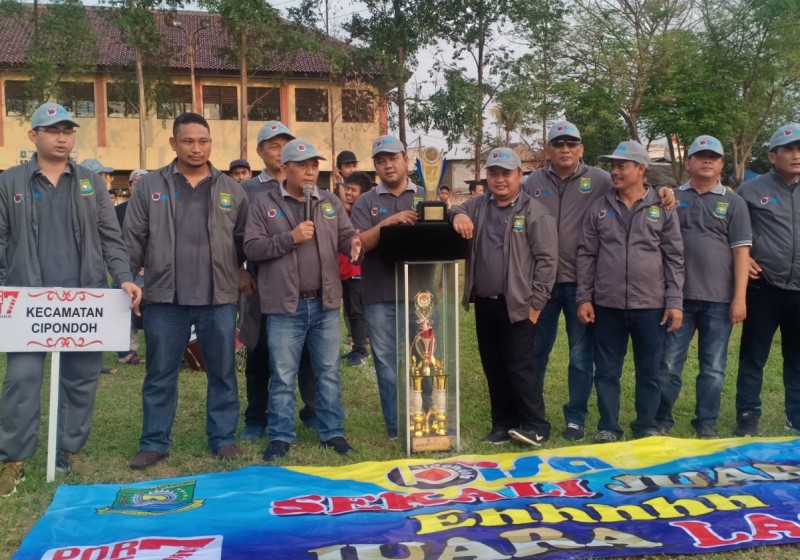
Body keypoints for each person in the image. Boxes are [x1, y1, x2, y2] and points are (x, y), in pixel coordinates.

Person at [0, 103, 142, 497]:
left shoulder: (90, 182)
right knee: (21, 380)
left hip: (85, 300)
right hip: (28, 302)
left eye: (68, 130)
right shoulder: (10, 181)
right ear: (33, 136)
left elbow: (111, 237)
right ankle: (14, 460)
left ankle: (69, 450)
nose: (62, 138)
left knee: (81, 379)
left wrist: (124, 277)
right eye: (52, 130)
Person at [524, 121, 675, 442]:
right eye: (558, 143)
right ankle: (532, 418)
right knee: (535, 352)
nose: (565, 149)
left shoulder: (601, 179)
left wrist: (664, 191)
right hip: (544, 283)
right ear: (548, 149)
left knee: (582, 357)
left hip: (585, 285)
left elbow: (638, 187)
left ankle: (576, 419)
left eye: (571, 143)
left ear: (581, 149)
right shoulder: (532, 181)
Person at [124, 112, 249, 468]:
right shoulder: (150, 186)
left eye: (203, 141)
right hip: (165, 298)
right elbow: (132, 239)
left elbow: (244, 239)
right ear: (173, 143)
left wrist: (239, 270)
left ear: (211, 143)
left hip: (218, 298)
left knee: (222, 371)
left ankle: (223, 438)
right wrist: (127, 278)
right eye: (188, 141)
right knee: (160, 373)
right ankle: (154, 442)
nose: (197, 148)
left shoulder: (231, 189)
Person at [244, 140, 360, 461]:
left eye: (314, 165)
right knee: (282, 375)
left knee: (328, 371)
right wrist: (289, 238)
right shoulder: (263, 203)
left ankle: (332, 431)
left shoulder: (329, 201)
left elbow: (345, 235)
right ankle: (280, 436)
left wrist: (353, 243)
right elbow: (251, 248)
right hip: (285, 305)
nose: (310, 172)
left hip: (325, 304)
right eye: (302, 165)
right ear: (285, 168)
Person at [576, 141, 684, 443]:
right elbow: (586, 255)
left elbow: (675, 257)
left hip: (650, 305)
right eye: (612, 166)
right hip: (607, 305)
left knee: (650, 370)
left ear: (640, 168)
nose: (615, 171)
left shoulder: (661, 206)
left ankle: (646, 425)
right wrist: (584, 297)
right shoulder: (599, 207)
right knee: (607, 371)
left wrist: (675, 301)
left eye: (622, 166)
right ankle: (609, 426)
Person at [450, 147, 557, 446]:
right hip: (486, 302)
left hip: (519, 304)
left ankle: (536, 425)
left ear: (519, 175)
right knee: (493, 366)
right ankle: (503, 423)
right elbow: (452, 210)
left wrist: (537, 302)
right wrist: (459, 215)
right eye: (493, 173)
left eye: (506, 173)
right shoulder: (478, 205)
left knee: (520, 367)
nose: (500, 179)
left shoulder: (535, 212)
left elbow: (548, 261)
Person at [656, 136, 751, 439]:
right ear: (688, 162)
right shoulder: (671, 198)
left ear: (722, 164)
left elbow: (741, 252)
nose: (707, 160)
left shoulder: (734, 202)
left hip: (718, 300)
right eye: (700, 156)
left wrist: (739, 298)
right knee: (669, 364)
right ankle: (661, 419)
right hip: (678, 298)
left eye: (713, 156)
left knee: (713, 367)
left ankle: (706, 422)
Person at [238, 121, 317, 441]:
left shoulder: (308, 188)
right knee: (259, 352)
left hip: (302, 288)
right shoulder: (247, 190)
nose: (281, 151)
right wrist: (239, 270)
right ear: (260, 152)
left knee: (308, 353)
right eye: (274, 146)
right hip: (260, 285)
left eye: (286, 145)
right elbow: (233, 236)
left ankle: (313, 411)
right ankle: (257, 416)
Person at [350, 135, 426, 438]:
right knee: (387, 364)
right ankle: (396, 426)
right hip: (380, 296)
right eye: (381, 161)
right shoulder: (366, 201)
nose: (388, 165)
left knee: (425, 361)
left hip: (421, 297)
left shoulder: (424, 195)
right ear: (375, 166)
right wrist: (387, 223)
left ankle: (427, 419)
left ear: (405, 160)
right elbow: (358, 246)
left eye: (393, 158)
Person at [734, 123, 800, 437]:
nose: (796, 155)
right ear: (773, 156)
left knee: (797, 358)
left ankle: (796, 418)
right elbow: (727, 229)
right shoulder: (750, 190)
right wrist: (743, 257)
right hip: (763, 288)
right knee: (753, 356)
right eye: (789, 150)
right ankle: (747, 416)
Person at [338, 172, 373, 367]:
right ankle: (356, 346)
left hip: (356, 271)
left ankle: (360, 349)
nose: (348, 193)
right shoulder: (344, 213)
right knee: (350, 310)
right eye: (347, 189)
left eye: (353, 190)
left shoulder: (363, 215)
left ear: (363, 194)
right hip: (343, 270)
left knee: (357, 311)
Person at [114, 168, 148, 366]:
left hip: (151, 267)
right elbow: (112, 240)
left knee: (150, 309)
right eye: (136, 184)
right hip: (124, 266)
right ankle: (127, 351)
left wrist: (150, 264)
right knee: (124, 306)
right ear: (129, 186)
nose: (140, 187)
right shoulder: (118, 211)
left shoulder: (158, 208)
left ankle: (157, 349)